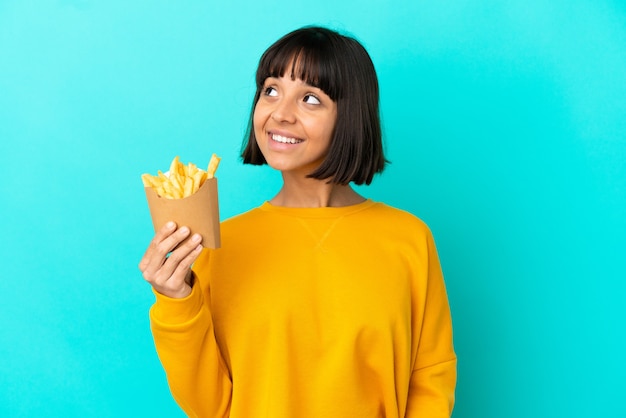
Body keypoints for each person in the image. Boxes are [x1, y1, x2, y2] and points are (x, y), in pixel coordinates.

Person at [139, 26, 456, 417]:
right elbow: (209, 406)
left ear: (351, 116)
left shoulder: (408, 239)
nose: (280, 114)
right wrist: (176, 301)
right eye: (271, 90)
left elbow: (430, 377)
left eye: (310, 98)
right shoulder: (219, 244)